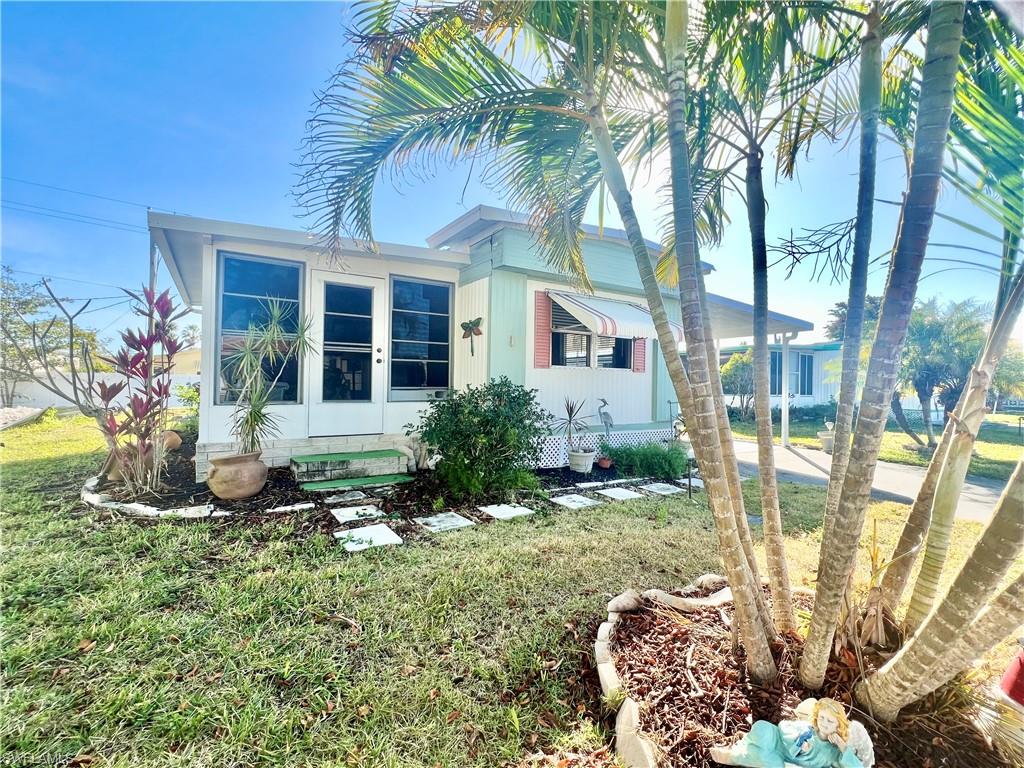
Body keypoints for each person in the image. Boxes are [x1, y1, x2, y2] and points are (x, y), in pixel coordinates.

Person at [709, 698, 865, 768]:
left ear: (839, 725)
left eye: (830, 721)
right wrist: (799, 743)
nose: (824, 723)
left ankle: (735, 756)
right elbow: (784, 726)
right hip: (780, 744)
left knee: (770, 761)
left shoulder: (833, 751)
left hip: (787, 764)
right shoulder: (808, 727)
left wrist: (842, 745)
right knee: (762, 728)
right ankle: (744, 744)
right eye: (822, 718)